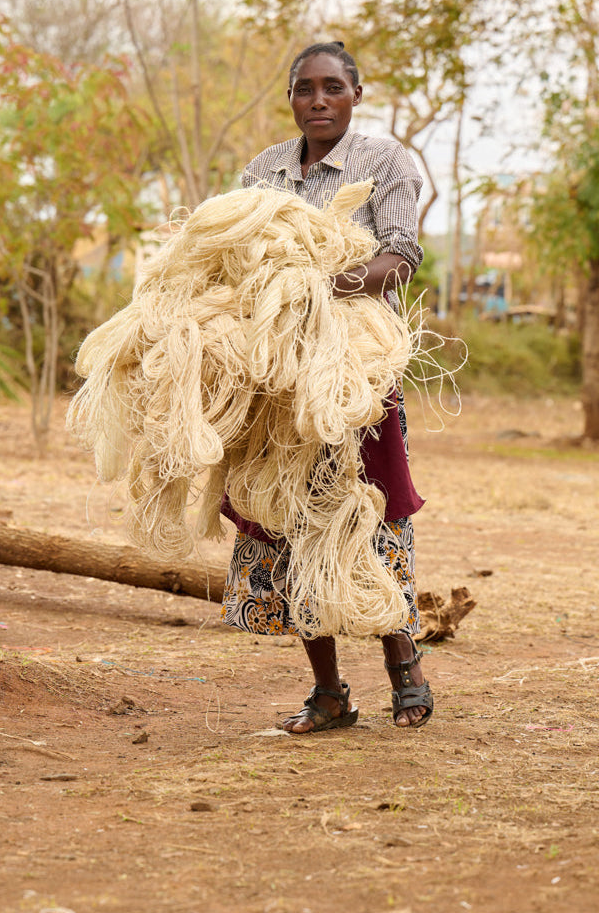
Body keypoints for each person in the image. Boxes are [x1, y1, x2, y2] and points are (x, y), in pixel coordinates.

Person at [220, 41, 433, 732]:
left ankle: (405, 671)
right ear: (291, 98)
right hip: (278, 378)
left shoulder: (386, 163)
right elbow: (235, 255)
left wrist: (316, 287)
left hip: (358, 376)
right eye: (305, 89)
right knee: (285, 518)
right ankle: (329, 692)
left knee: (368, 515)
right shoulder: (264, 171)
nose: (318, 100)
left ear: (356, 94)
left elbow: (400, 257)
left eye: (333, 88)